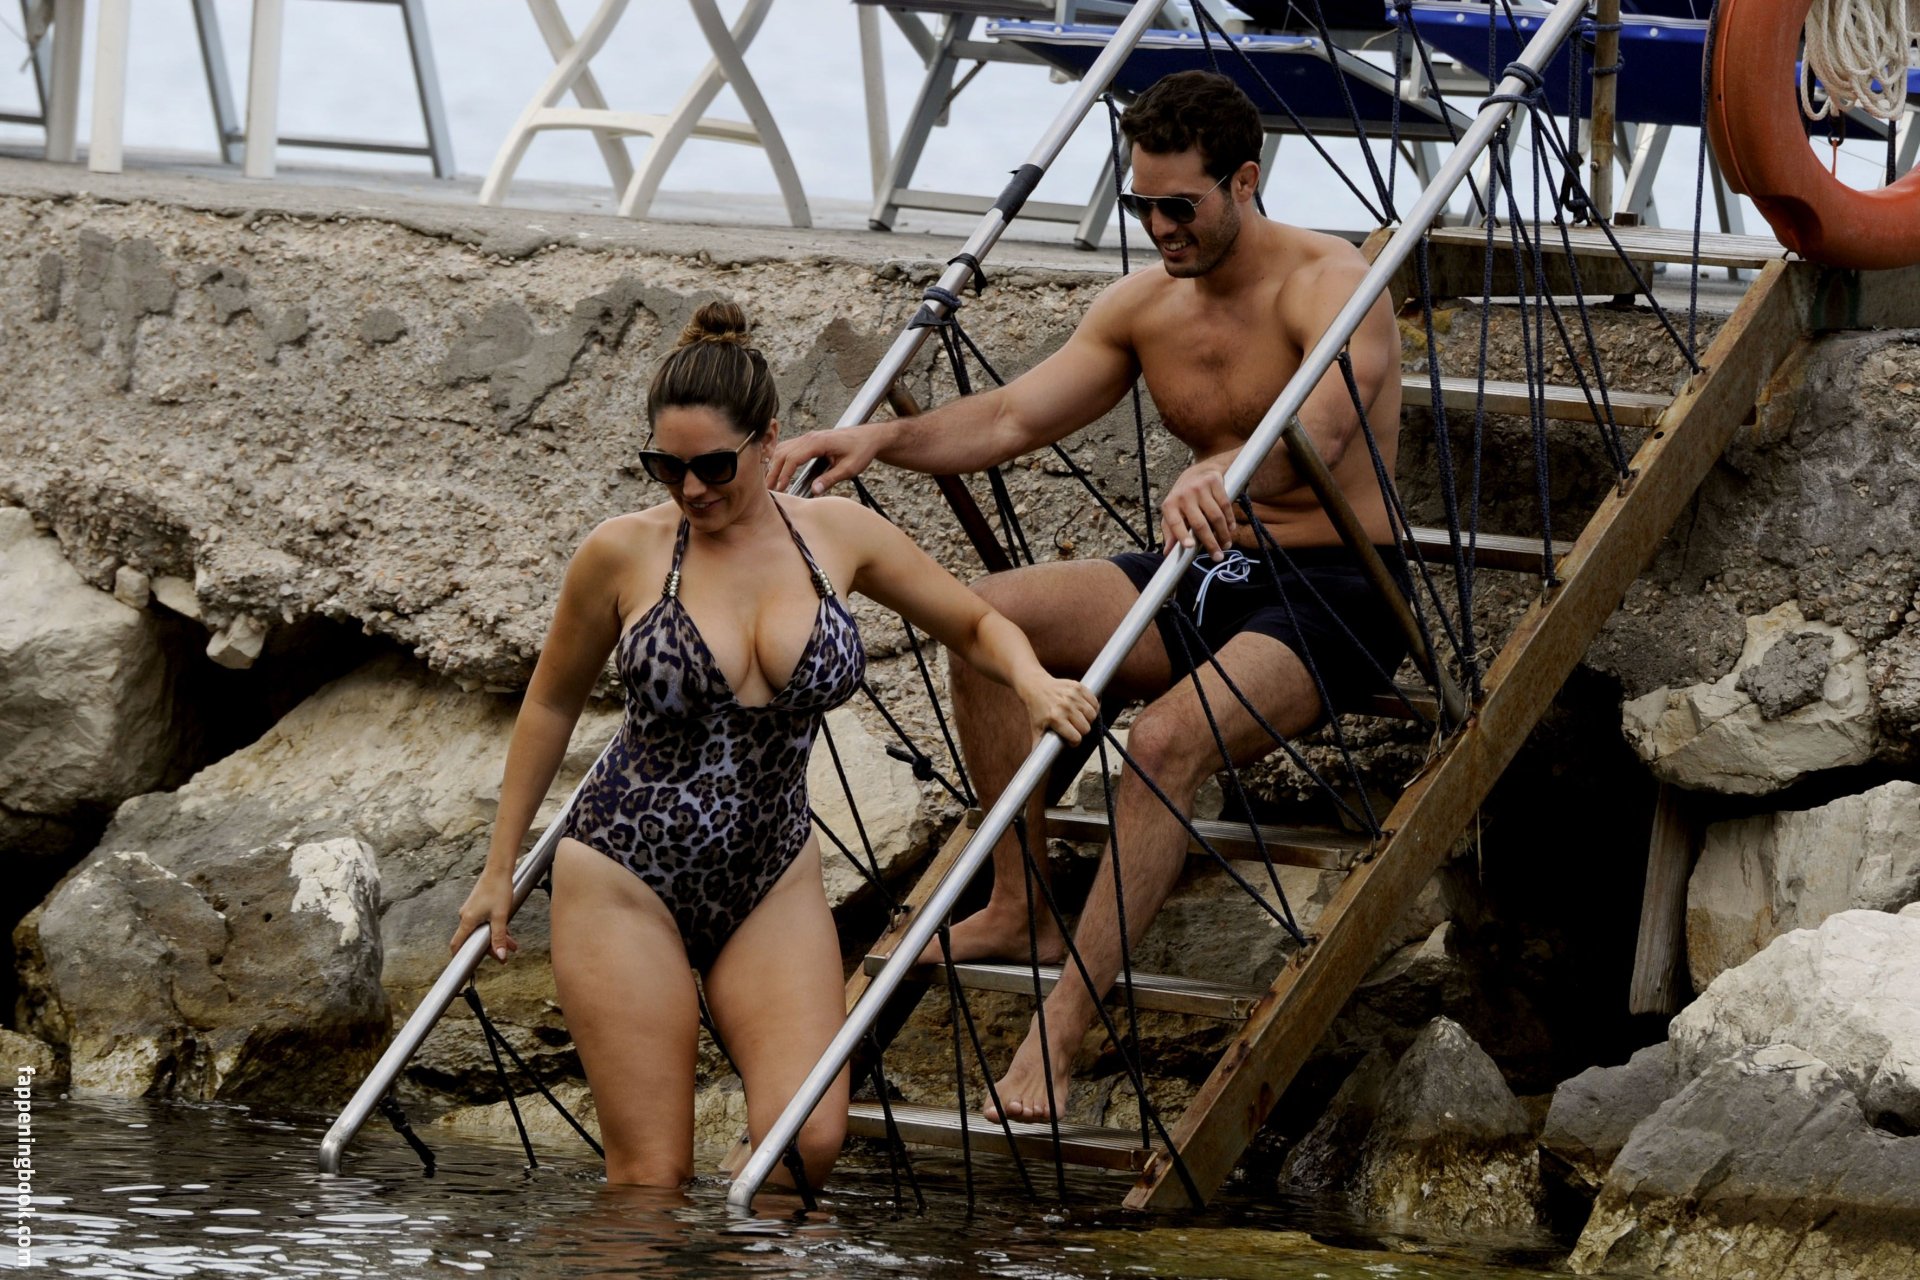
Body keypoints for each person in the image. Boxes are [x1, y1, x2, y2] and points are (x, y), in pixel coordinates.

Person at [767, 70, 1409, 1124]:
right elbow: (1011, 418)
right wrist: (881, 438)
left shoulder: (1334, 283)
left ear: (1245, 182)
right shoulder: (1145, 305)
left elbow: (1324, 427)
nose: (1159, 229)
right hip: (1201, 568)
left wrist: (1229, 468)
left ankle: (1059, 1036)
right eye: (1141, 206)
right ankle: (1019, 902)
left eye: (1180, 206)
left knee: (1161, 742)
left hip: (1334, 586)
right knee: (988, 619)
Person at [452, 300, 1098, 1189]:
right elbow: (551, 703)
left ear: (768, 440)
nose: (691, 490)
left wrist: (1032, 681)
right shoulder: (622, 553)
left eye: (713, 466)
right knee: (650, 1179)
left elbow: (978, 623)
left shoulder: (838, 537)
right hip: (624, 872)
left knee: (807, 1142)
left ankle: (738, 1249)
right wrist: (498, 871)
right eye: (666, 467)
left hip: (770, 871)